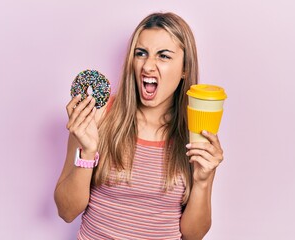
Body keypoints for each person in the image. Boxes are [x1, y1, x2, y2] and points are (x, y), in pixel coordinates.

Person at [54, 12, 224, 240]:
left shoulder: (194, 134)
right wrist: (88, 151)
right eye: (141, 53)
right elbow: (66, 211)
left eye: (163, 56)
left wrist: (203, 181)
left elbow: (193, 235)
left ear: (185, 68)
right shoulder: (98, 115)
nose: (148, 66)